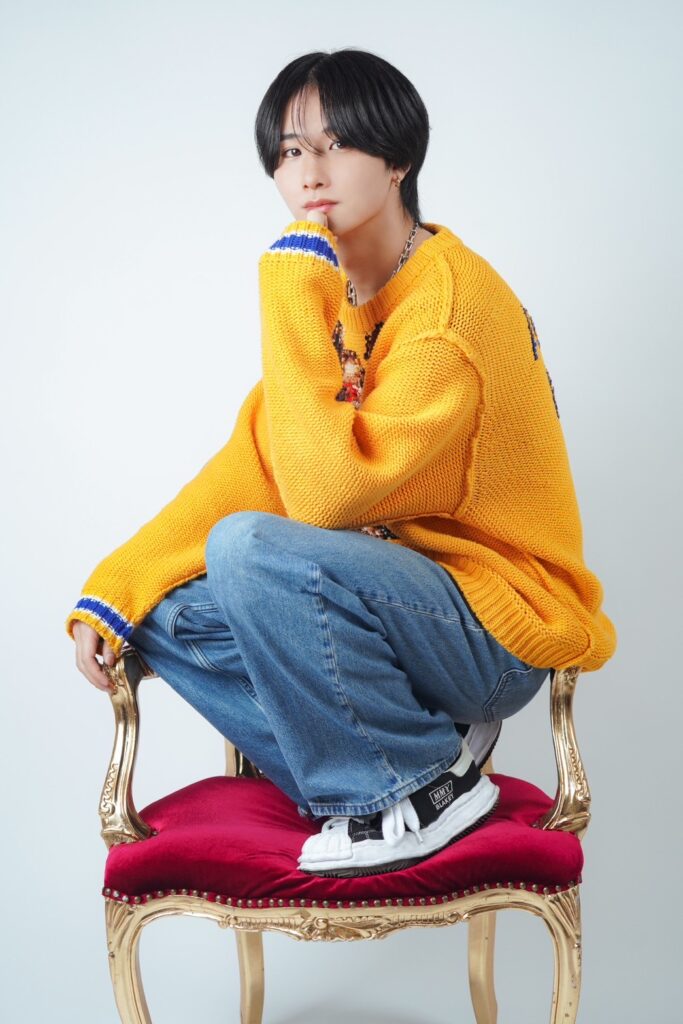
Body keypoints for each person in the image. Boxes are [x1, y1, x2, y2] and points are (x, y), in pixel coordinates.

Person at [67, 48, 617, 879]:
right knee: (161, 611)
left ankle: (421, 786)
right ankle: (402, 756)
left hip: (492, 627)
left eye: (337, 144)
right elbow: (255, 465)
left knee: (249, 549)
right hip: (398, 618)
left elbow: (324, 498)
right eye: (290, 151)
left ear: (397, 160)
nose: (309, 172)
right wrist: (113, 588)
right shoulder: (349, 303)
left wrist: (289, 292)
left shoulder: (446, 314)